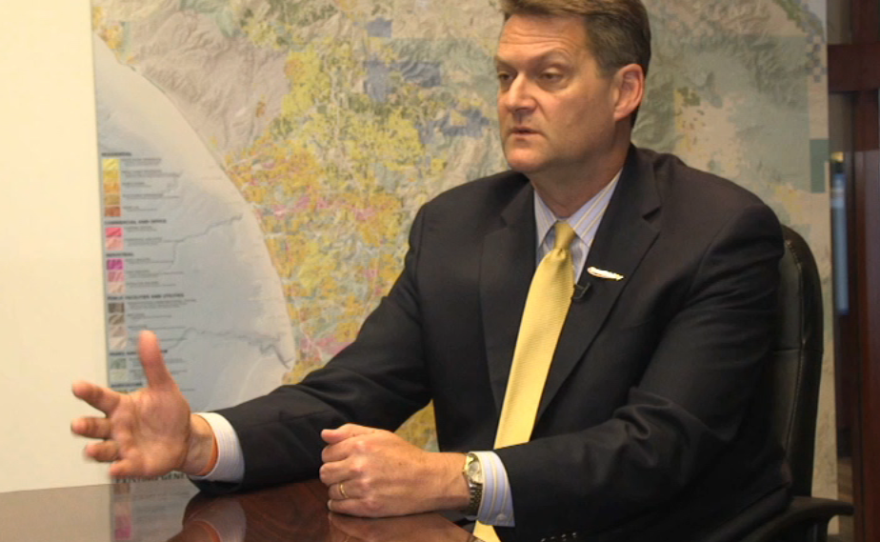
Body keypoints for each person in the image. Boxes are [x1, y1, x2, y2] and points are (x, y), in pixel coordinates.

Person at [72, 1, 791, 540]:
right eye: (506, 76)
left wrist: (454, 477)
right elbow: (349, 395)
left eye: (549, 76)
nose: (515, 98)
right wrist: (202, 439)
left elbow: (657, 448)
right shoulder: (458, 228)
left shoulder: (718, 234)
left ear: (625, 91)